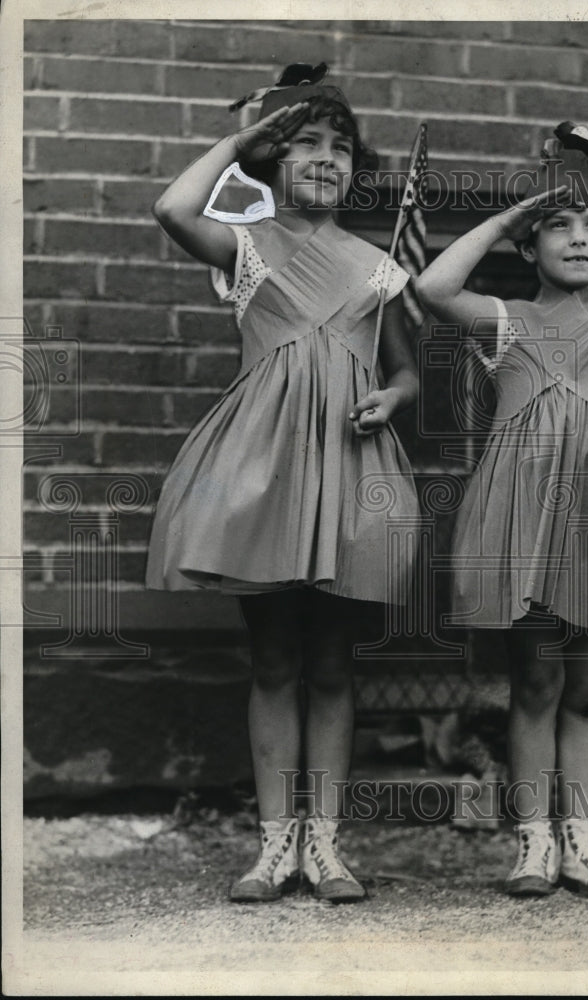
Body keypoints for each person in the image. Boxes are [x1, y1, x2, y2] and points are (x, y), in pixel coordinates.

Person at [145, 63, 419, 904]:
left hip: (345, 463)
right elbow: (171, 209)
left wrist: (394, 395)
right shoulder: (249, 242)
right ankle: (273, 846)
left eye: (340, 148)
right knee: (271, 658)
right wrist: (237, 145)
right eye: (305, 146)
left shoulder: (375, 266)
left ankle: (326, 844)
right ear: (272, 161)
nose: (326, 160)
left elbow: (407, 373)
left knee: (334, 662)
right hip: (264, 469)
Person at [415, 122, 588, 898]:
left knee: (585, 688)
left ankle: (583, 836)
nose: (579, 236)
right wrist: (507, 215)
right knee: (534, 681)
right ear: (528, 248)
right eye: (557, 225)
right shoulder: (509, 321)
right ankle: (533, 839)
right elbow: (431, 289)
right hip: (527, 509)